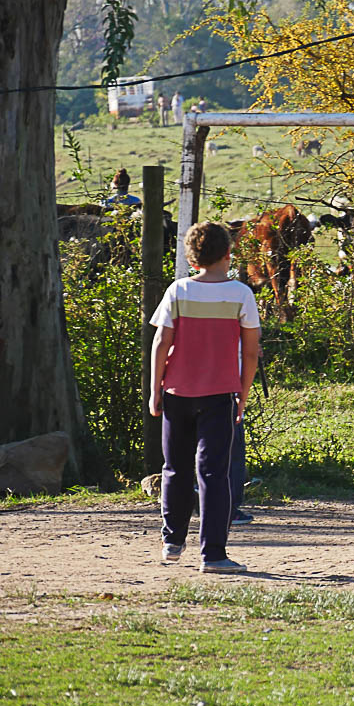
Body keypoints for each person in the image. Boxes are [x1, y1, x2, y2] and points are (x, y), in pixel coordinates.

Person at [149, 221, 261, 572]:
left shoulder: (178, 290)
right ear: (228, 255)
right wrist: (242, 394)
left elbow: (160, 343)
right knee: (214, 473)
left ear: (192, 257)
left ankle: (172, 542)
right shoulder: (241, 294)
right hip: (220, 393)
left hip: (177, 392)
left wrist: (155, 389)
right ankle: (213, 554)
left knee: (174, 468)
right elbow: (253, 350)